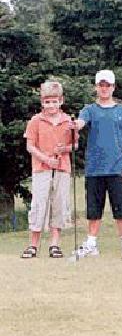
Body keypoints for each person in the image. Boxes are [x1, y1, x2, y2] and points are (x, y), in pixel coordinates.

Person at [71, 70, 122, 258]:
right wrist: (76, 125)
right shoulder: (89, 109)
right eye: (101, 85)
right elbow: (82, 122)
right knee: (94, 208)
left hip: (117, 167)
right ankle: (91, 243)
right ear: (96, 87)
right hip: (94, 168)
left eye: (107, 85)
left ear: (113, 87)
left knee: (121, 207)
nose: (104, 89)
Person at [21, 81, 75, 259]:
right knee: (39, 204)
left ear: (61, 101)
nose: (51, 105)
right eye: (47, 102)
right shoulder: (36, 121)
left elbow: (75, 144)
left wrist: (64, 149)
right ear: (42, 102)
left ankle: (54, 244)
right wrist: (45, 159)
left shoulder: (68, 121)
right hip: (41, 169)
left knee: (59, 203)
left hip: (62, 169)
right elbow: (30, 146)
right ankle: (33, 244)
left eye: (54, 101)